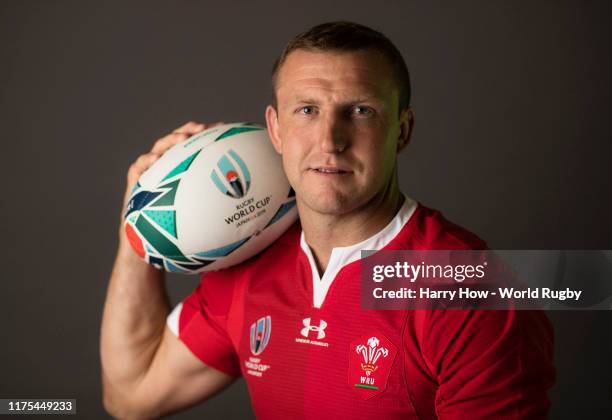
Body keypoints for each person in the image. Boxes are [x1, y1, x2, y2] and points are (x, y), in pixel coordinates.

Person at [101, 21, 555, 419]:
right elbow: (131, 396)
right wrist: (140, 221)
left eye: (360, 111)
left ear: (402, 129)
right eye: (307, 110)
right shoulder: (249, 263)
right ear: (276, 128)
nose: (329, 140)